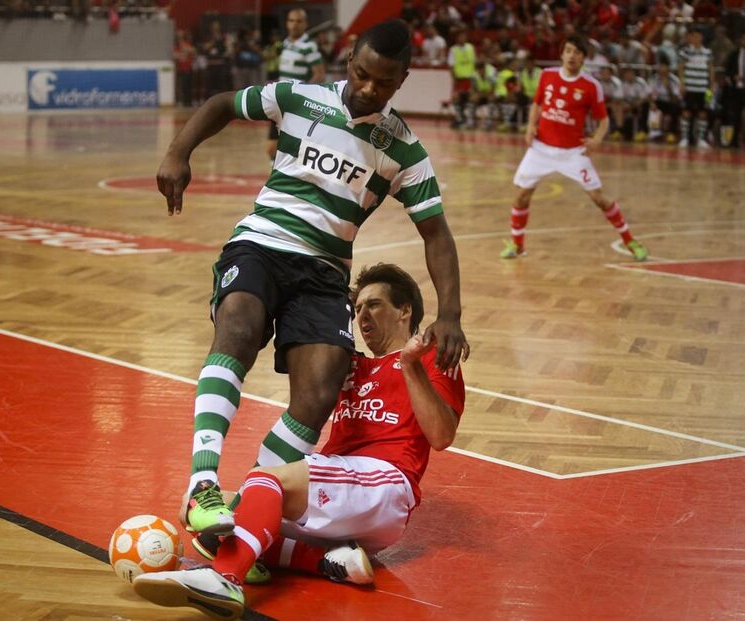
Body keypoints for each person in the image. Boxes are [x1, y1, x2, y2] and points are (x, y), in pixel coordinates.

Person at [156, 19, 468, 541]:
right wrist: (177, 152)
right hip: (261, 242)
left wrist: (451, 313)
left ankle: (248, 501)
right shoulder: (298, 97)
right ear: (349, 60)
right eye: (363, 74)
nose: (370, 88)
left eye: (384, 83)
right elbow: (221, 104)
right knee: (237, 328)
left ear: (402, 81)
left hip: (325, 270)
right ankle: (202, 484)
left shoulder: (404, 151)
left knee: (320, 391)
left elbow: (436, 234)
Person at [133, 263, 466, 619]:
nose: (362, 316)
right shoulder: (351, 365)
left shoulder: (431, 356)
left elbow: (441, 435)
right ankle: (331, 561)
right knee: (209, 510)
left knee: (268, 479)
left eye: (375, 304)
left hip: (385, 481)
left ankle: (225, 578)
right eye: (358, 309)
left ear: (405, 310)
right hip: (340, 495)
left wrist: (411, 365)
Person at [500, 36, 649, 262]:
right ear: (562, 54)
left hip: (573, 153)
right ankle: (517, 244)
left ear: (583, 58)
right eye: (568, 51)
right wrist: (531, 125)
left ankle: (630, 241)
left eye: (577, 52)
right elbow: (537, 104)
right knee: (521, 195)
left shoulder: (591, 86)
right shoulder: (547, 75)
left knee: (599, 198)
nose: (572, 56)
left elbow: (604, 120)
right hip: (541, 148)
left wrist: (597, 139)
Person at [266, 8, 325, 162]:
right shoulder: (285, 44)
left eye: (299, 21)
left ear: (305, 24)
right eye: (291, 21)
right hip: (280, 100)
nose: (294, 25)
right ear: (287, 23)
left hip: (296, 104)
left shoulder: (309, 46)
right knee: (271, 148)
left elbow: (319, 75)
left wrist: (300, 94)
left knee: (289, 148)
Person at [678, 28, 714, 149]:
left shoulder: (707, 52)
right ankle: (684, 138)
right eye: (693, 36)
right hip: (689, 86)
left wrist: (711, 85)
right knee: (686, 112)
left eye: (698, 36)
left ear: (701, 38)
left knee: (703, 113)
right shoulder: (685, 51)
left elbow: (711, 69)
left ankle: (701, 139)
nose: (695, 38)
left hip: (703, 87)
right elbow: (681, 68)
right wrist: (682, 83)